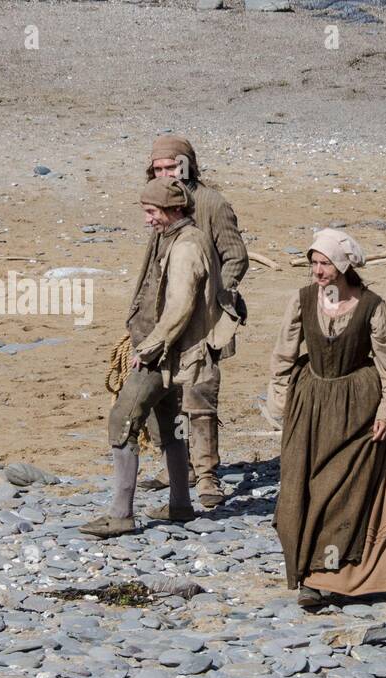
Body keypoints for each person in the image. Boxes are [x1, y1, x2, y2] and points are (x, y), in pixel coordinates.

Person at [267, 228, 386, 607]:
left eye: (325, 264)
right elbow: (283, 355)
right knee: (302, 488)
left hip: (358, 407)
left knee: (341, 492)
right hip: (310, 403)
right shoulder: (302, 301)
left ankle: (322, 578)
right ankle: (306, 569)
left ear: (343, 266)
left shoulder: (371, 305)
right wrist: (280, 405)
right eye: (314, 263)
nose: (317, 272)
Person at [80, 179, 224, 538]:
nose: (147, 220)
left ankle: (121, 514)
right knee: (169, 426)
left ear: (173, 210)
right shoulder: (180, 238)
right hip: (174, 356)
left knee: (122, 421)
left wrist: (146, 349)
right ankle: (180, 505)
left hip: (163, 357)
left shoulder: (186, 246)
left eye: (151, 212)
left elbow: (178, 308)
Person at [135, 134, 248, 508]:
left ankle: (206, 475)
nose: (166, 174)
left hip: (202, 324)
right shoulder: (157, 203)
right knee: (161, 396)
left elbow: (236, 257)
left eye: (172, 167)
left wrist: (215, 296)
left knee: (199, 398)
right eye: (159, 168)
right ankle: (176, 465)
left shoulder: (211, 204)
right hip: (159, 320)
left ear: (189, 165)